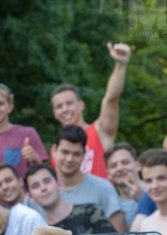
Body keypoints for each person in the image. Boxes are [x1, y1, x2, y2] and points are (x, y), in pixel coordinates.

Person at [50, 42, 132, 177]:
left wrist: (120, 65)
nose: (65, 109)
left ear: (81, 105)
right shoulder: (56, 149)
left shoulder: (99, 131)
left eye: (69, 103)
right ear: (54, 113)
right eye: (59, 106)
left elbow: (111, 99)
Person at [54, 126, 127, 232]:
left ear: (84, 155)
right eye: (65, 152)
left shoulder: (103, 187)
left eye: (76, 154)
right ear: (54, 151)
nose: (69, 159)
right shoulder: (42, 191)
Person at [105, 142, 147, 220]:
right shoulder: (111, 207)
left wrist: (144, 198)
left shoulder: (156, 188)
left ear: (138, 166)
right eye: (113, 166)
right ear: (108, 174)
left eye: (125, 162)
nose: (120, 168)